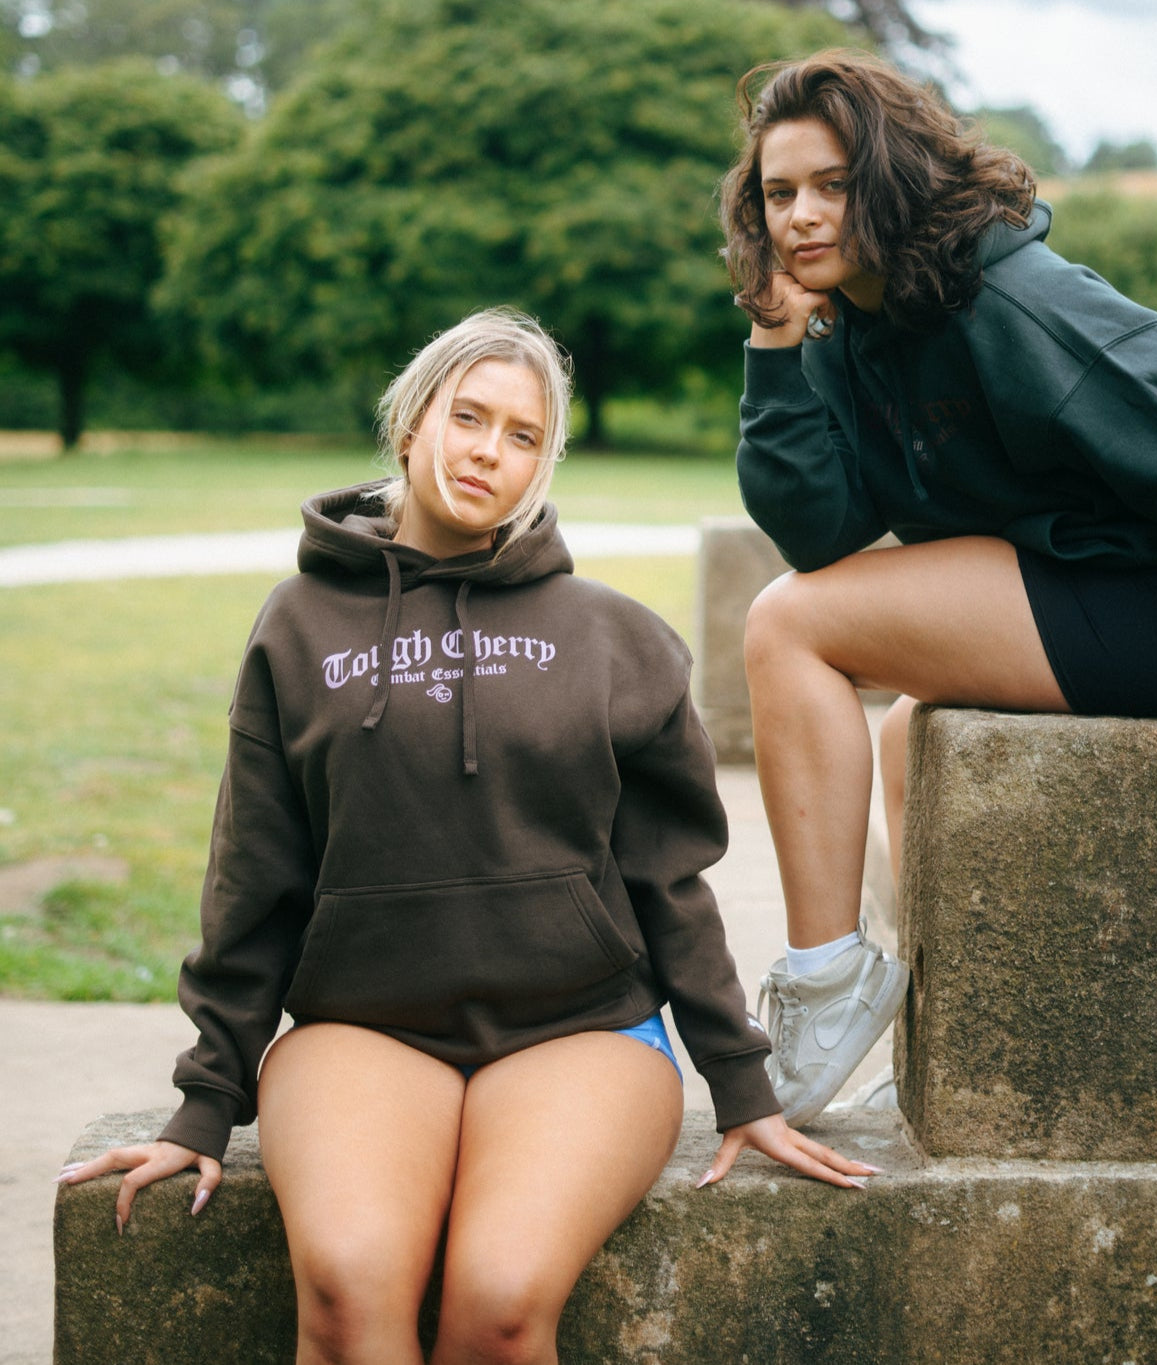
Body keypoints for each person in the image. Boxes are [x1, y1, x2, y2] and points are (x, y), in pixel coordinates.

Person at [55, 308, 878, 1365]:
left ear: (547, 462)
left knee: (496, 1303)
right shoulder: (297, 625)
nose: (489, 451)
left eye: (524, 435)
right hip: (363, 1025)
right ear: (411, 421)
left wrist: (741, 1082)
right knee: (351, 1295)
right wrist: (207, 1103)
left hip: (582, 1029)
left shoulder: (614, 638)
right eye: (469, 416)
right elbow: (257, 877)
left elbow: (668, 879)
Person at [719, 49, 1157, 1129]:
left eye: (832, 185)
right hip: (1073, 594)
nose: (801, 218)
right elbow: (818, 527)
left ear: (891, 179)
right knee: (898, 736)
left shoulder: (1015, 296)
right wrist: (777, 345)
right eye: (779, 194)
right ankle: (940, 1036)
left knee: (788, 625)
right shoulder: (851, 329)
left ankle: (826, 984)